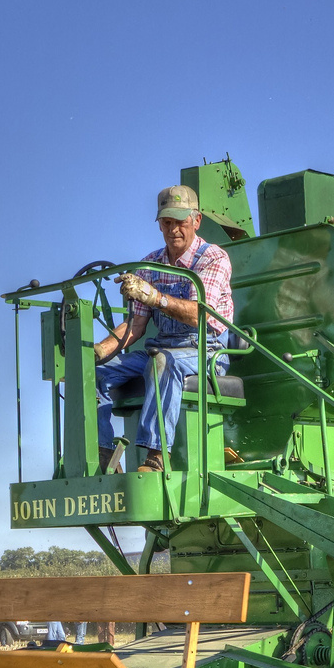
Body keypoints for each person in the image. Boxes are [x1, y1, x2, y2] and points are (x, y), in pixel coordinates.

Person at [93, 185, 235, 475]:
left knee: (162, 361)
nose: (174, 230)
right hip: (161, 346)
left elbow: (199, 314)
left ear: (196, 221)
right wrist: (99, 351)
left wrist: (155, 297)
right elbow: (136, 325)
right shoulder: (150, 264)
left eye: (181, 222)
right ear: (159, 224)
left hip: (205, 352)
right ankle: (106, 455)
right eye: (167, 223)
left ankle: (157, 456)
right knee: (92, 374)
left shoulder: (213, 259)